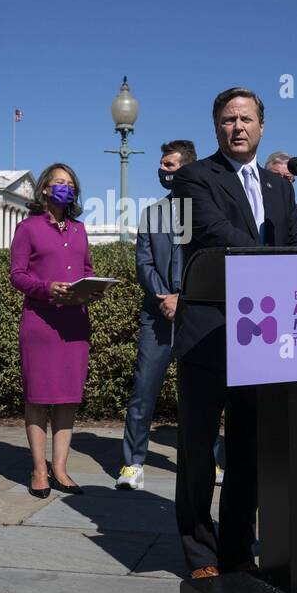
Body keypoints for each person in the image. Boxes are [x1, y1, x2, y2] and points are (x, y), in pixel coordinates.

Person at [172, 86, 297, 579]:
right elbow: (214, 235)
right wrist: (280, 263)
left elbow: (296, 241)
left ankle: (234, 549)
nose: (238, 127)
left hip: (264, 338)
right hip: (209, 334)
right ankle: (199, 552)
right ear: (217, 127)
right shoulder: (193, 178)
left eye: (246, 118)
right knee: (198, 450)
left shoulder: (280, 187)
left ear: (262, 126)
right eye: (228, 119)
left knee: (248, 450)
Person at [10, 163, 97, 497]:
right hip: (41, 323)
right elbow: (17, 274)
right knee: (38, 397)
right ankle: (38, 469)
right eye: (59, 182)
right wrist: (48, 288)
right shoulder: (28, 227)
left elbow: (86, 269)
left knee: (67, 399)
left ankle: (60, 468)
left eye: (71, 183)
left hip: (75, 322)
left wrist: (92, 287)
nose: (66, 188)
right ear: (44, 189)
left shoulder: (79, 229)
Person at [117, 139, 197, 490]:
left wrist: (185, 298)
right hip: (157, 314)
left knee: (198, 395)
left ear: (187, 169)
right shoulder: (152, 213)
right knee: (143, 391)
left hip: (195, 316)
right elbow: (143, 262)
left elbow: (208, 262)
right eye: (162, 165)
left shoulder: (205, 211)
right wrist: (164, 297)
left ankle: (204, 462)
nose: (162, 171)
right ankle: (132, 463)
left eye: (169, 165)